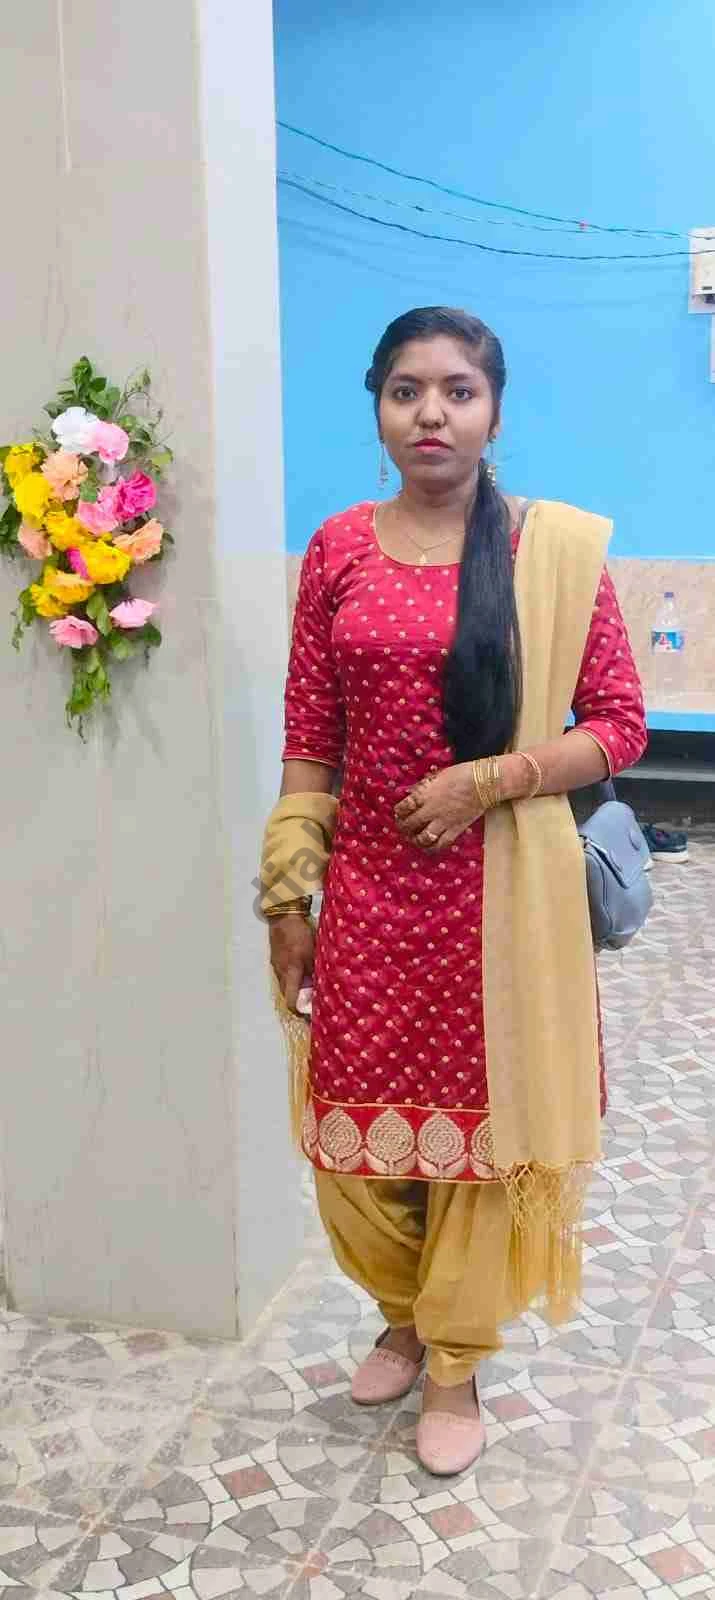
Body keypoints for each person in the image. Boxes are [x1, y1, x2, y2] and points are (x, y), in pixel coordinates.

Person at [261, 307, 647, 1477]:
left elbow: (618, 723)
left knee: (481, 1140)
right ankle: (402, 1311)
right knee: (355, 1142)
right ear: (377, 409)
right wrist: (287, 895)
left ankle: (454, 1361)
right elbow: (310, 739)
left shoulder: (548, 550)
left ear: (494, 411)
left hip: (501, 899)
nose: (430, 413)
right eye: (405, 390)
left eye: (457, 390)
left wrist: (495, 777)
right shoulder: (336, 547)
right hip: (370, 898)